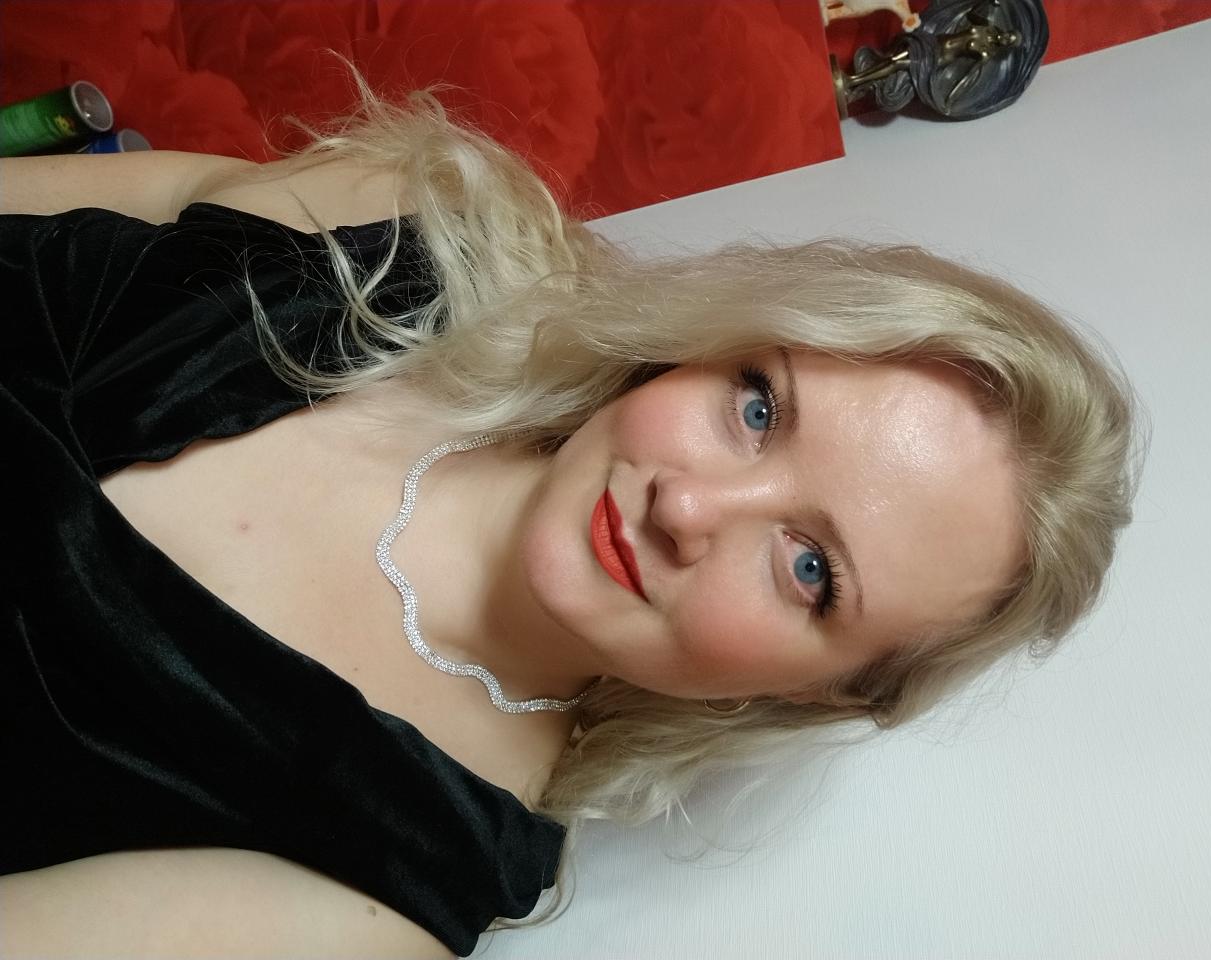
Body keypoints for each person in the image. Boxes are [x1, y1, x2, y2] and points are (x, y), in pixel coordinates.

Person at [0, 72, 1142, 959]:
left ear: (819, 691)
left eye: (809, 569)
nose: (688, 505)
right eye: (756, 406)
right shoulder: (420, 227)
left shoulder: (394, 873)